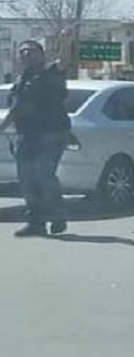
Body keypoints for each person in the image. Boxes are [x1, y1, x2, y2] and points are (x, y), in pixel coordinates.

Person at [0, 40, 70, 237]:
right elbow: (16, 109)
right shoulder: (21, 79)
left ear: (41, 54)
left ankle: (57, 216)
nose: (26, 54)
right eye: (22, 52)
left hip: (50, 133)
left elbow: (64, 60)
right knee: (27, 180)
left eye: (31, 51)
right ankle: (35, 222)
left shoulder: (51, 72)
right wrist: (3, 128)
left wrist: (66, 40)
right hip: (26, 135)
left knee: (43, 176)